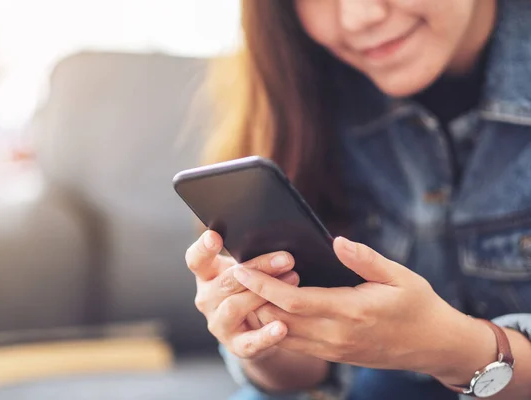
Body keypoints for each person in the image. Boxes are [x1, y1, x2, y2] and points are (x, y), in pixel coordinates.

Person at [184, 0, 531, 399]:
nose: (358, 17)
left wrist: (453, 349)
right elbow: (305, 377)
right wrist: (267, 340)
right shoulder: (300, 87)